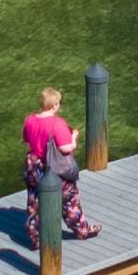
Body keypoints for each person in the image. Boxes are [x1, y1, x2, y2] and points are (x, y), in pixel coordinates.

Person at [24, 85, 99, 242]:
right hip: (54, 169)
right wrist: (74, 137)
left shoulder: (30, 120)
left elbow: (27, 139)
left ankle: (35, 235)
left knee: (35, 200)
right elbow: (66, 148)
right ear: (54, 105)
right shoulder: (57, 123)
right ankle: (82, 230)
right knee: (70, 200)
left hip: (34, 167)